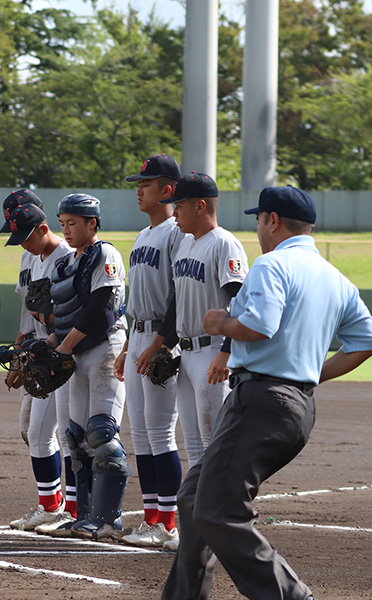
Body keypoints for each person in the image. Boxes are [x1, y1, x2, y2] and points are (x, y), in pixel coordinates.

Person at [162, 186, 372, 600]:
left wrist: (219, 322)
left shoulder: (272, 264)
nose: (257, 227)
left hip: (259, 402)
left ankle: (292, 596)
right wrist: (314, 375)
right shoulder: (335, 277)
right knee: (192, 498)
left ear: (272, 221)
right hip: (294, 407)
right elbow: (364, 340)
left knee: (218, 512)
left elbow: (258, 326)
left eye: (259, 219)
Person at [42, 194, 129, 540]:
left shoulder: (104, 254)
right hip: (77, 353)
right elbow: (64, 316)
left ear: (92, 223)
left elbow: (99, 308)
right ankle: (84, 516)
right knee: (75, 438)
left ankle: (109, 520)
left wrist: (63, 346)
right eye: (62, 223)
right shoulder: (66, 263)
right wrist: (48, 343)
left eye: (72, 223)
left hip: (104, 348)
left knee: (102, 435)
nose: (66, 230)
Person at [113, 154, 185, 547]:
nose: (139, 189)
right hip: (139, 334)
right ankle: (153, 517)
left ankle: (168, 524)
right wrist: (127, 346)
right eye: (139, 182)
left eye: (147, 182)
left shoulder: (177, 232)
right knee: (141, 435)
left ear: (168, 189)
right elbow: (135, 300)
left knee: (160, 434)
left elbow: (178, 297)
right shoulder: (144, 236)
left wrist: (160, 343)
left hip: (161, 338)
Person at [155, 172, 248, 467]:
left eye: (179, 205)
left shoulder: (224, 244)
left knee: (215, 442)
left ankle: (223, 510)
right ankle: (198, 511)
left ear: (200, 207)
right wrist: (165, 345)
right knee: (194, 447)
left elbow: (240, 303)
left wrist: (226, 352)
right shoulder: (184, 244)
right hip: (186, 353)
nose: (175, 212)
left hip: (213, 352)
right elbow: (179, 304)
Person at [3, 203, 75, 531]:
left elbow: (72, 308)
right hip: (43, 348)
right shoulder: (37, 257)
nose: (22, 244)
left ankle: (59, 506)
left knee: (51, 433)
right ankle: (57, 503)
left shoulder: (63, 257)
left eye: (26, 236)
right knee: (33, 431)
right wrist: (24, 342)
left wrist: (50, 339)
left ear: (44, 228)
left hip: (60, 352)